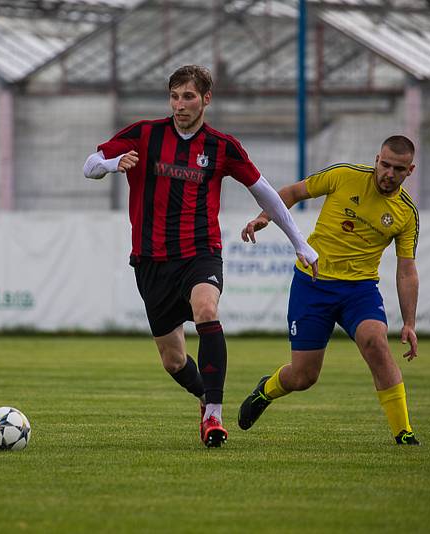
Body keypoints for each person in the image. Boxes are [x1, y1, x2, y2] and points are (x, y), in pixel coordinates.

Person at [83, 65, 318, 447]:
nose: (180, 105)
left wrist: (299, 242)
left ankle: (213, 415)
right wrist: (112, 164)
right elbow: (89, 165)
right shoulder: (144, 134)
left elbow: (265, 193)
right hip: (151, 260)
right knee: (173, 360)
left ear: (206, 99)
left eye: (188, 97)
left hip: (200, 253)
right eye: (174, 96)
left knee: (207, 310)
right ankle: (203, 396)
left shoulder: (222, 146)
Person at [237, 135, 421, 445]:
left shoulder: (406, 213)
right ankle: (265, 391)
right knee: (303, 377)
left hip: (359, 290)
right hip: (313, 283)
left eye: (398, 169)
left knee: (376, 342)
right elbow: (293, 192)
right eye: (385, 164)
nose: (389, 173)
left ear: (410, 171)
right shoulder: (344, 176)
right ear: (377, 159)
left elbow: (407, 271)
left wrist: (410, 323)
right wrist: (264, 217)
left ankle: (404, 432)